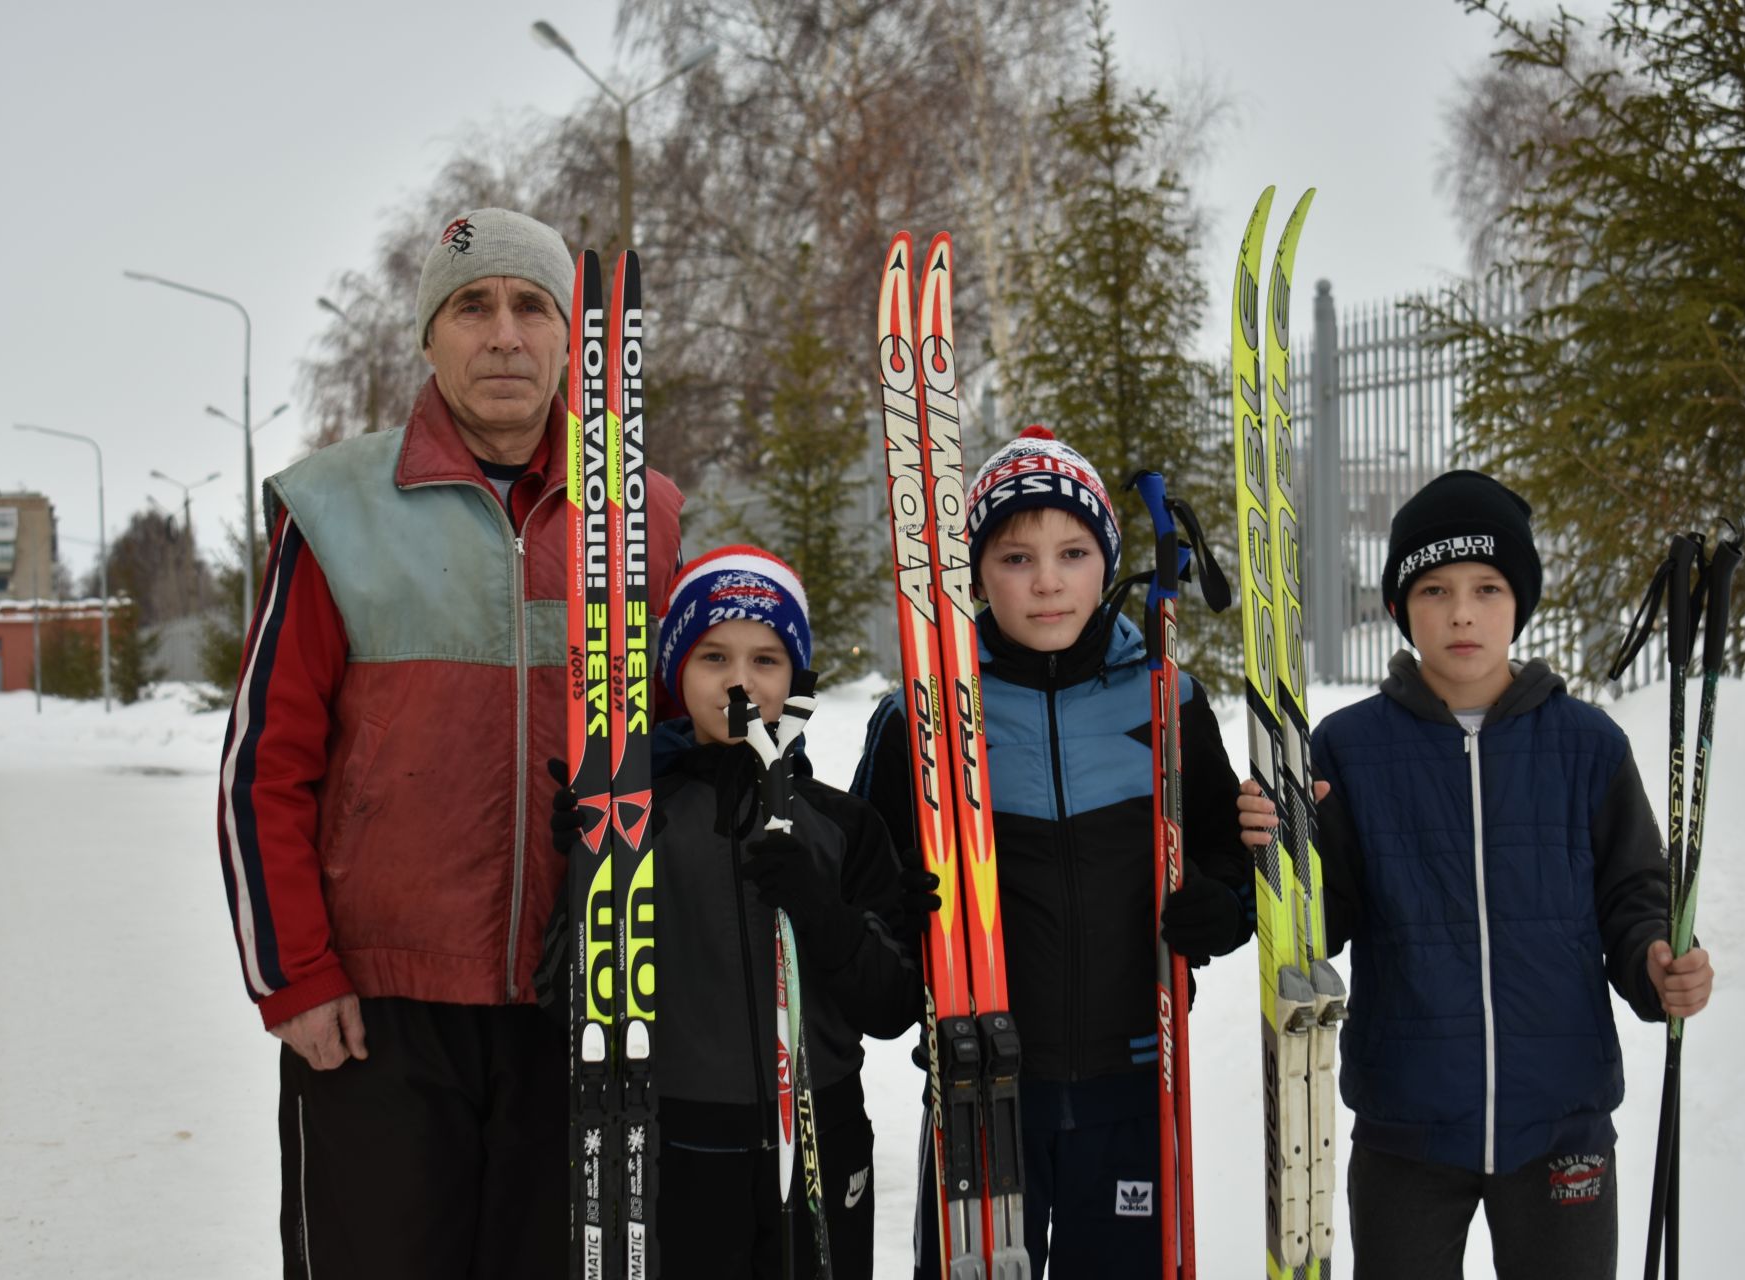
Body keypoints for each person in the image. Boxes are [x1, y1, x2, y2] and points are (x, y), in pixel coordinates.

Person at [214, 207, 684, 1278]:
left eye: (532, 306)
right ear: (430, 337)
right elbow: (262, 767)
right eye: (472, 307)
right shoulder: (337, 509)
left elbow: (676, 741)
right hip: (378, 1014)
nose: (505, 334)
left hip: (581, 1001)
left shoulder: (641, 514)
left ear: (572, 338)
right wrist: (295, 978)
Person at [1239, 469, 1715, 1280]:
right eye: (1434, 588)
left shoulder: (1588, 746)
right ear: (1400, 608)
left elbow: (1634, 895)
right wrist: (1282, 854)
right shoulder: (1349, 749)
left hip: (1560, 1118)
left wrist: (1656, 962)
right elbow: (1326, 921)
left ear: (1519, 603)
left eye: (1488, 587)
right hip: (1406, 1125)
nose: (1463, 611)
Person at [853, 427, 1251, 1279]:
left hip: (1137, 1076)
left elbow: (1224, 846)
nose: (1046, 582)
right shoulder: (921, 717)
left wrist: (1225, 904)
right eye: (1014, 557)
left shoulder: (1166, 698)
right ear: (974, 573)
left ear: (1105, 562)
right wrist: (899, 916)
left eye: (1072, 552)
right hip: (982, 1084)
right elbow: (863, 887)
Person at [535, 544, 921, 1279]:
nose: (739, 680)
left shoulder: (842, 826)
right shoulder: (640, 818)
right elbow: (561, 1000)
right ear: (677, 672)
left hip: (820, 1137)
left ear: (795, 677)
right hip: (677, 1145)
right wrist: (597, 877)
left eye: (766, 660)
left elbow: (894, 1003)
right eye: (714, 657)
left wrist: (822, 913)